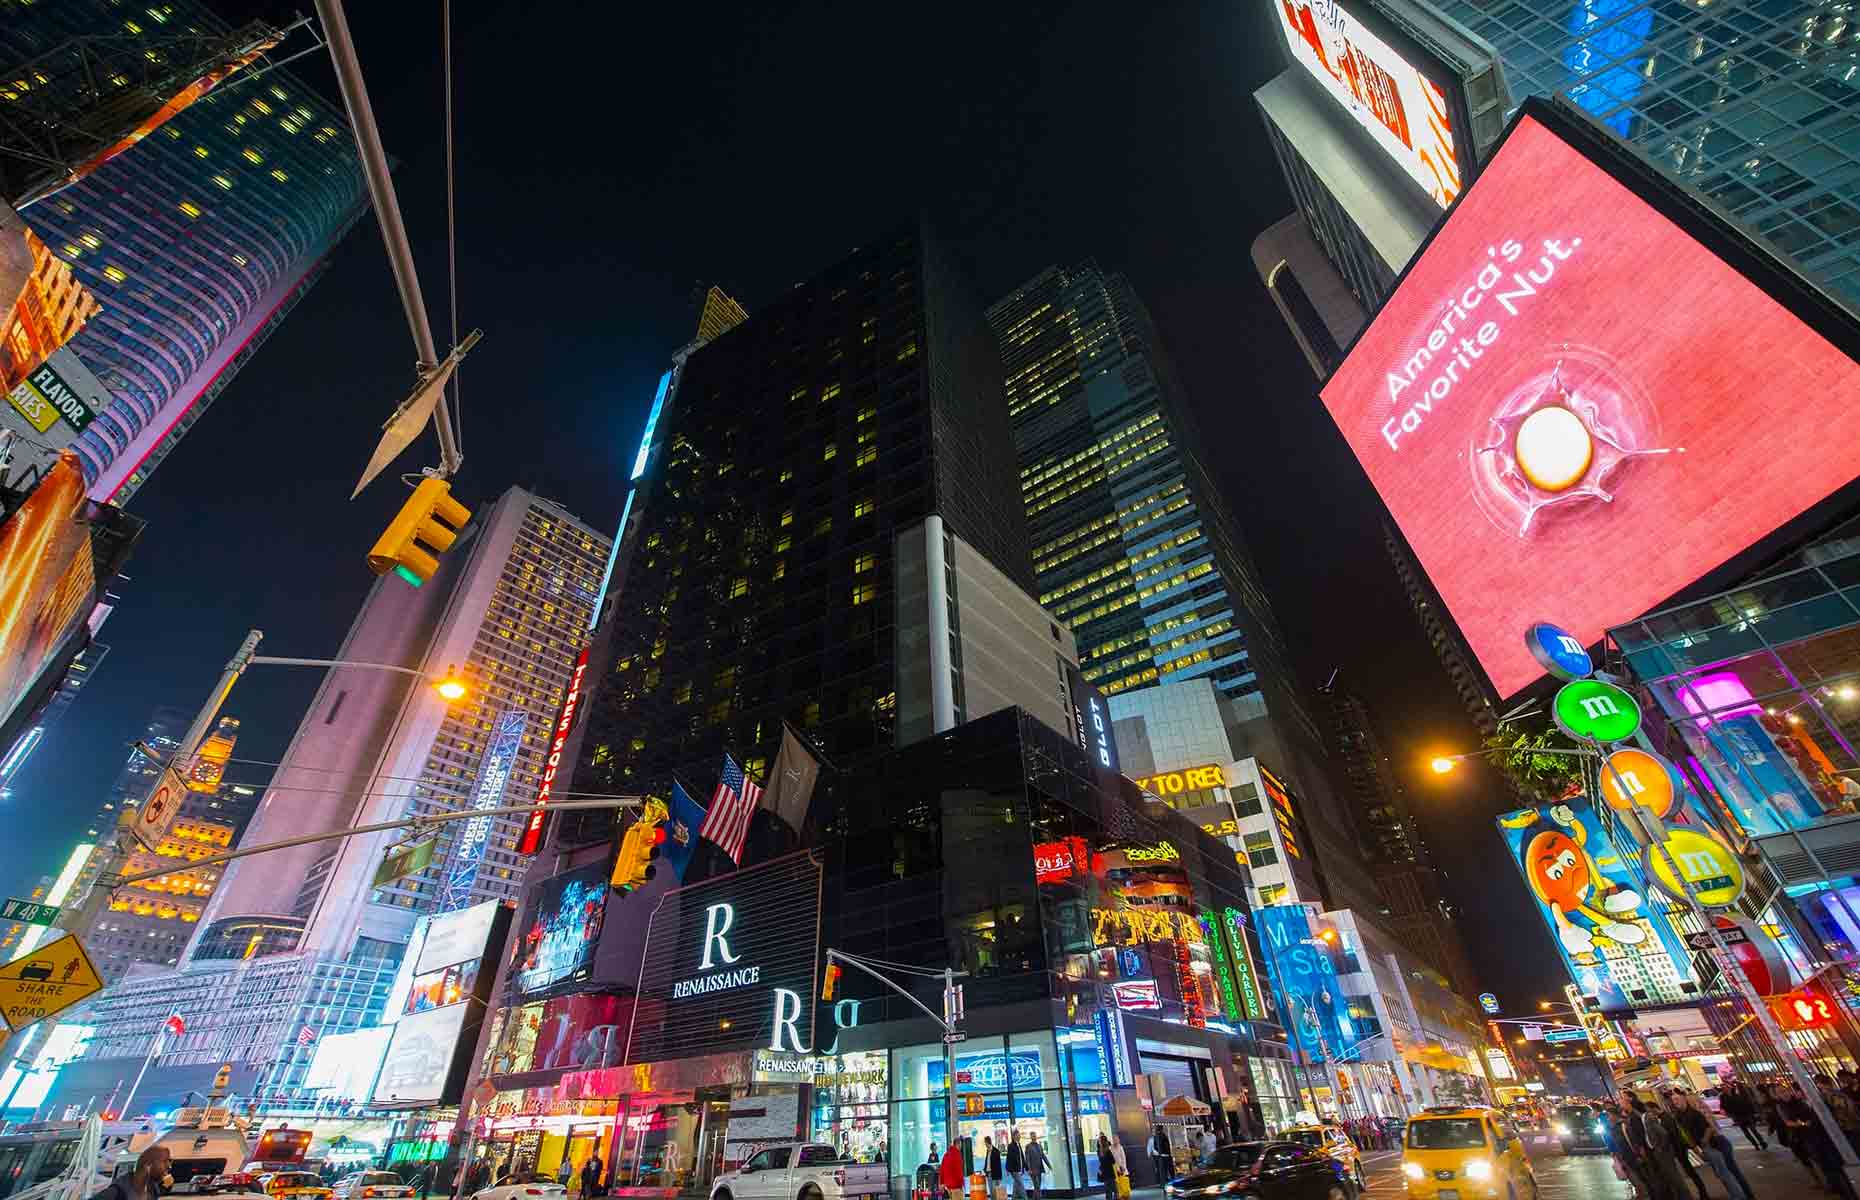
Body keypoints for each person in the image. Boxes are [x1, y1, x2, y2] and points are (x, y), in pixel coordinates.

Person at [1782, 1083, 1859, 1200]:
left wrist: (1806, 1123)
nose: (1794, 1094)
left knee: (1837, 1168)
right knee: (1834, 1168)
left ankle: (1847, 1193)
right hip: (1825, 1140)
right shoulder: (1807, 1103)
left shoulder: (1818, 1103)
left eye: (1795, 1091)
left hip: (1828, 1139)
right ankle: (1843, 1191)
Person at [1674, 1092, 1750, 1200]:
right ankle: (1742, 1195)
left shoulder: (1698, 1112)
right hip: (1713, 1143)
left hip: (1716, 1143)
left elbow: (1711, 1127)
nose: (1676, 1103)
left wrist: (1704, 1142)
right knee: (1727, 1173)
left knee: (1728, 1173)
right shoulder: (1687, 1114)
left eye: (1678, 1100)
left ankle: (1742, 1196)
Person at [90, 1146, 172, 1200]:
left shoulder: (152, 1190)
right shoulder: (117, 1192)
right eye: (164, 1161)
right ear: (148, 1165)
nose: (169, 1166)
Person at [1719, 1082, 1768, 1151]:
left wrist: (1752, 1112)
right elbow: (1723, 1106)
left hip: (1745, 1113)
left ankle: (1762, 1143)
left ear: (1729, 1087)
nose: (1725, 1089)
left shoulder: (1735, 1092)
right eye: (1723, 1088)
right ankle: (1755, 1145)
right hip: (1737, 1116)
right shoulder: (1723, 1097)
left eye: (1726, 1087)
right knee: (1746, 1132)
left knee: (1753, 1129)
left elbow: (1745, 1101)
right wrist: (1729, 1113)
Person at [1024, 1135, 1047, 1200]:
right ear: (1031, 1137)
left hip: (1039, 1169)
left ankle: (1034, 1198)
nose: (1034, 1137)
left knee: (1037, 1186)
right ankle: (1039, 1198)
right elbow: (1027, 1159)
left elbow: (1043, 1156)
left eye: (1035, 1136)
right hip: (1032, 1170)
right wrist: (1029, 1169)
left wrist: (1049, 1165)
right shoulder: (1028, 1146)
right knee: (1037, 1186)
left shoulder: (1039, 1146)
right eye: (1033, 1136)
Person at [1005, 1131, 1026, 1200]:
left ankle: (1013, 1198)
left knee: (1016, 1185)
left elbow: (1021, 1157)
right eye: (1018, 1135)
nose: (1019, 1136)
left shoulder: (1018, 1144)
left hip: (1019, 1169)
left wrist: (1024, 1167)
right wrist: (1008, 1169)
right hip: (1014, 1170)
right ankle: (1025, 1198)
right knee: (1021, 1185)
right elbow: (1009, 1158)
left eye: (1019, 1135)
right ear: (1014, 1136)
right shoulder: (1011, 1146)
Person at [1095, 1135, 1117, 1200]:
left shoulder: (1099, 1151)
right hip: (1110, 1172)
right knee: (1115, 1189)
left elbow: (1101, 1161)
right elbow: (1113, 1161)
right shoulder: (1108, 1151)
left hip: (1104, 1172)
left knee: (1108, 1190)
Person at [984, 1135, 1003, 1200]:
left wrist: (999, 1177)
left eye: (985, 1143)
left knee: (995, 1191)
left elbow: (997, 1165)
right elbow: (987, 1162)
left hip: (994, 1174)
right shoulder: (987, 1151)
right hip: (989, 1174)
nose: (985, 1144)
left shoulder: (996, 1151)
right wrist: (985, 1170)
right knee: (991, 1191)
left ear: (988, 1142)